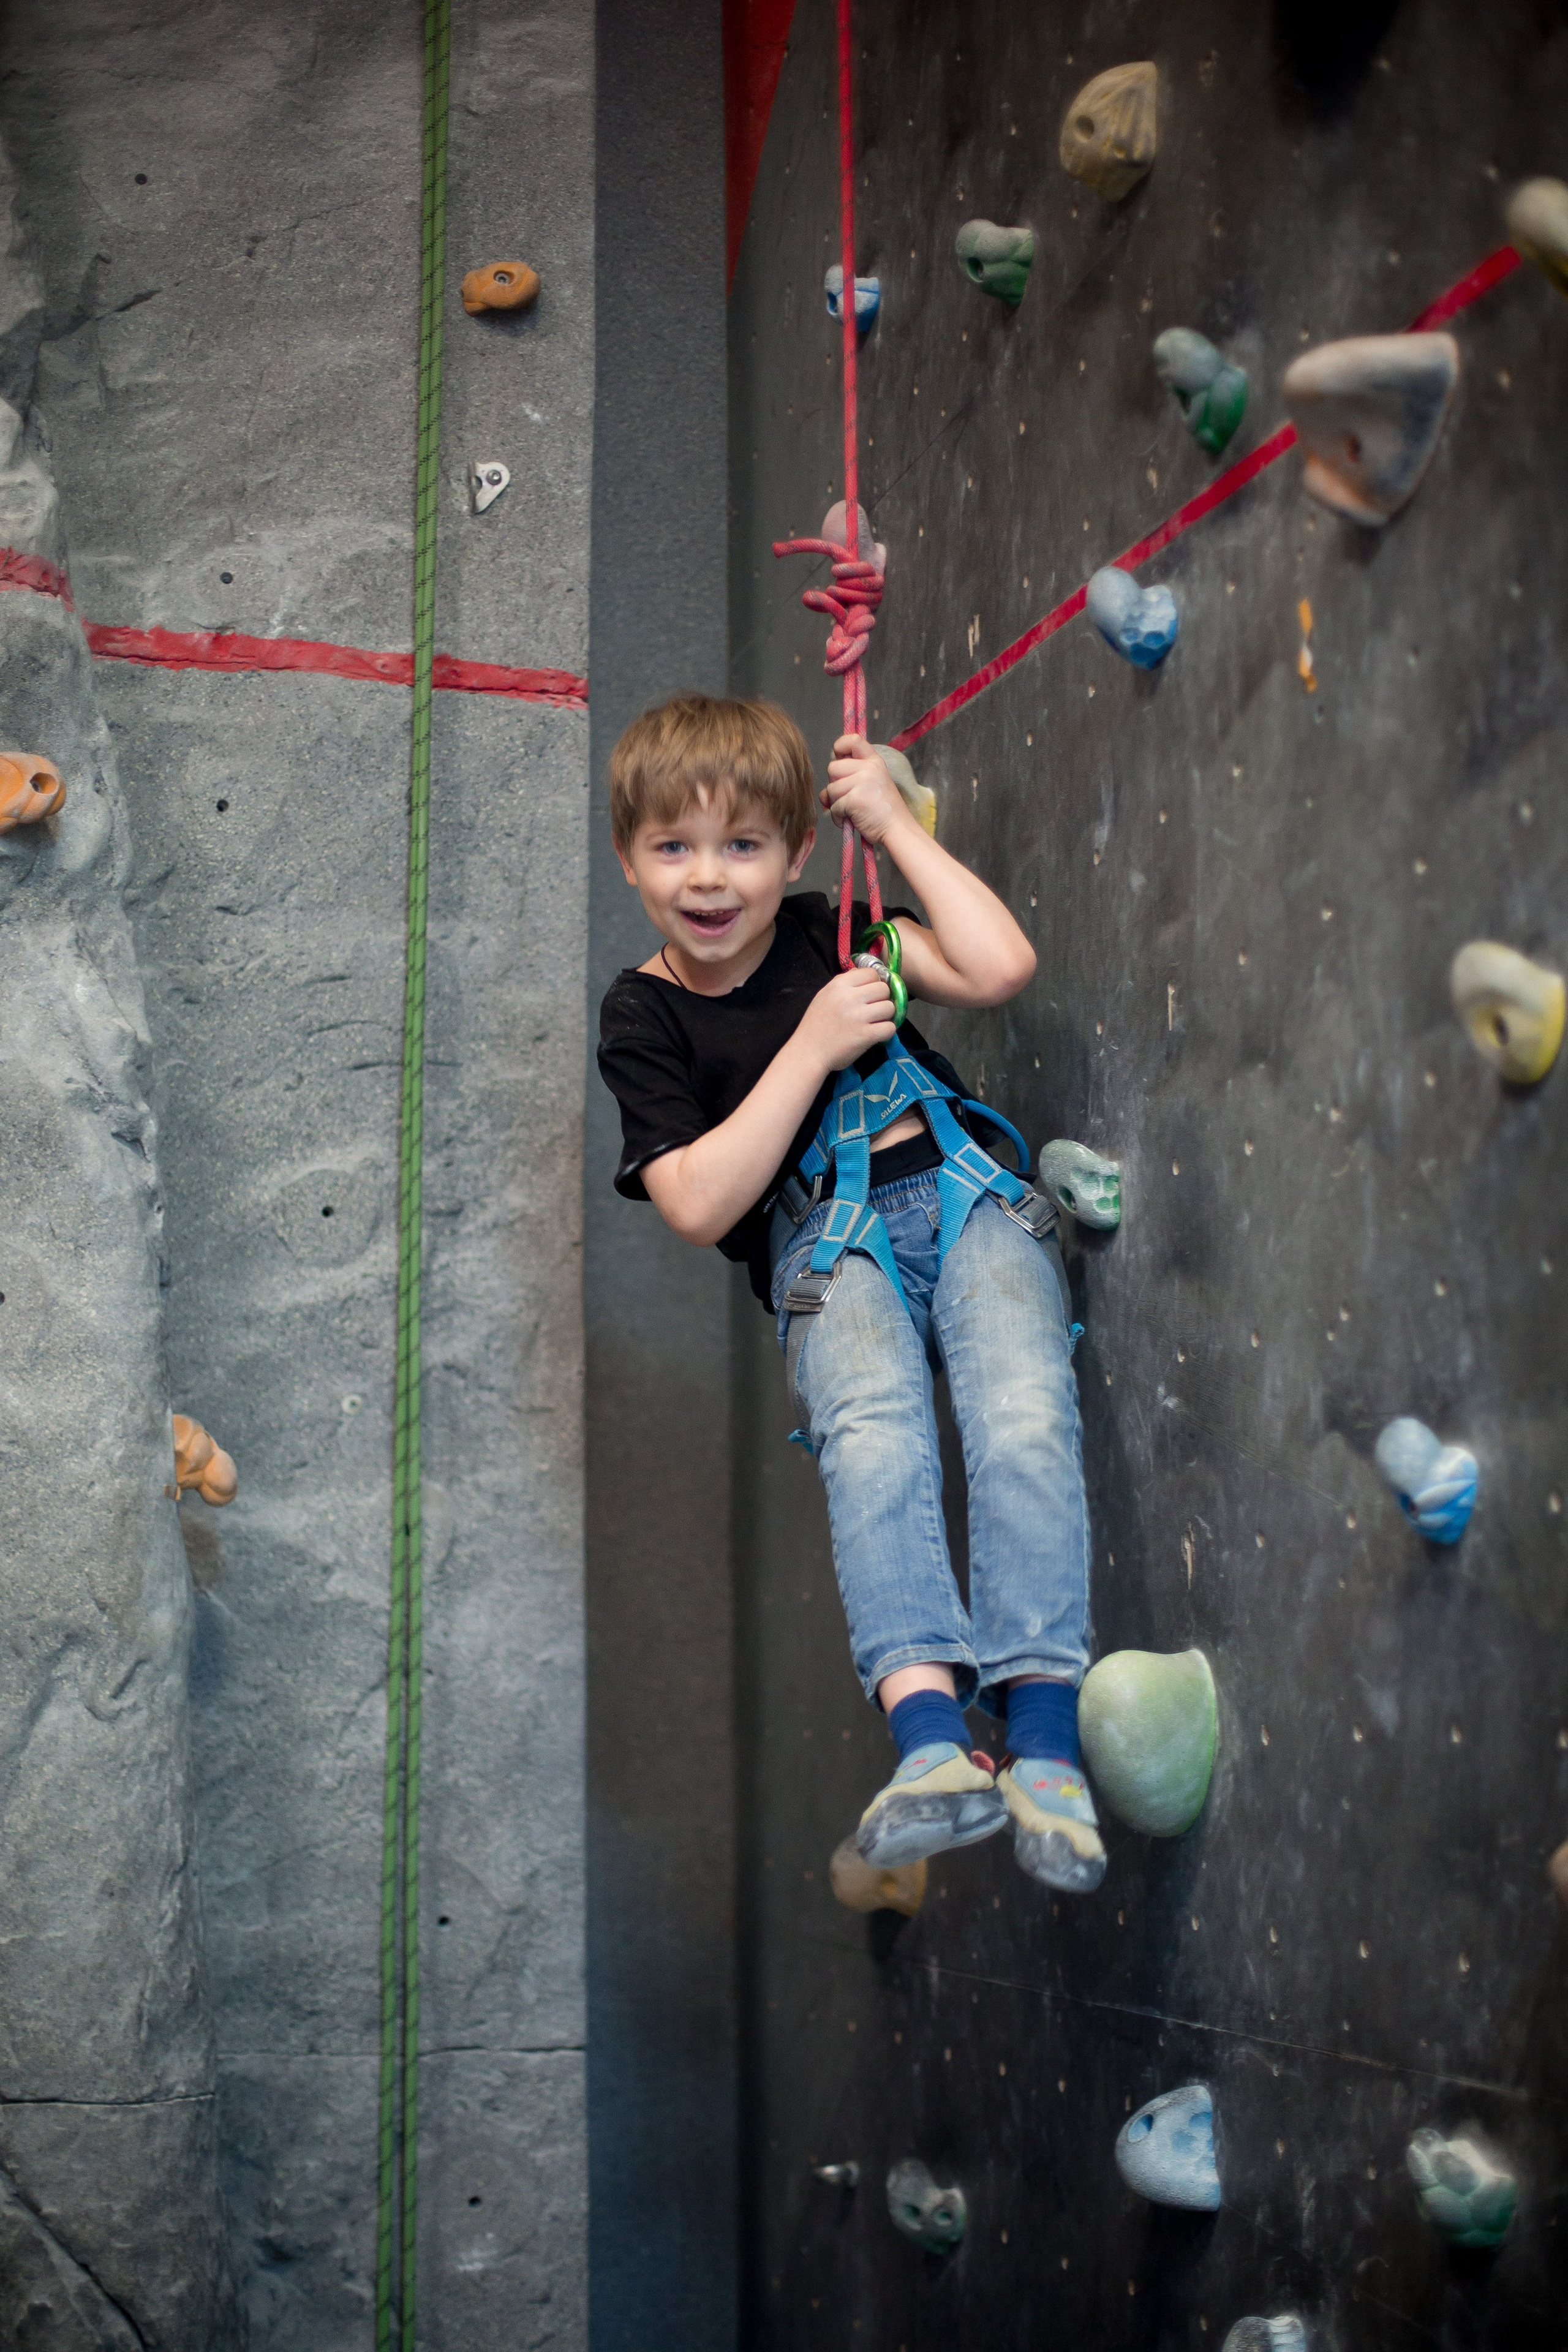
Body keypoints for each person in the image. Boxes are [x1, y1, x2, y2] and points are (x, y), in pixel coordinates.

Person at [596, 693, 1102, 1894]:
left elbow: (998, 965)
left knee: (1024, 1411)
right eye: (673, 846)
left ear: (794, 853)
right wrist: (813, 1046)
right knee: (873, 1438)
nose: (707, 878)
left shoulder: (836, 931)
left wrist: (893, 823)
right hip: (829, 1252)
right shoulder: (643, 1015)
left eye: (742, 845)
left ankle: (1042, 1744)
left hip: (966, 1199)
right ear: (627, 859)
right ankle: (931, 1744)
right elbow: (695, 1202)